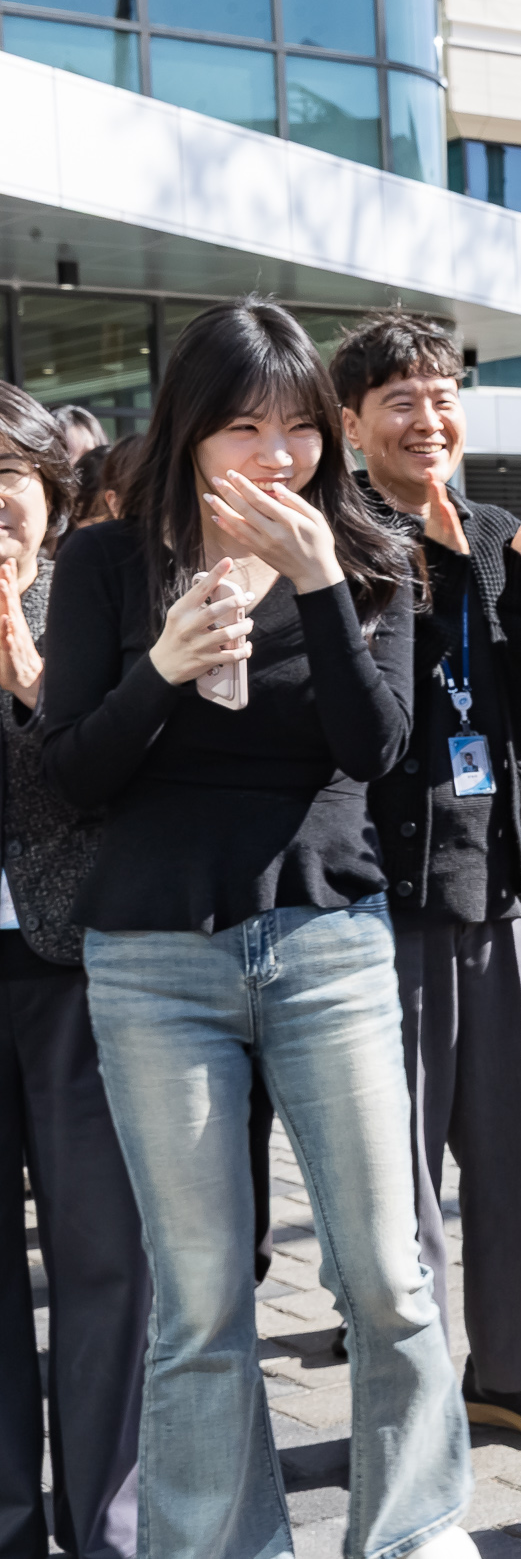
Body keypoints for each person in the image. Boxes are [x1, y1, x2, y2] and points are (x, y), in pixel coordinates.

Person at [39, 299, 477, 1559]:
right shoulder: (109, 566)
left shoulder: (375, 552)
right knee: (200, 1300)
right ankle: (216, 1543)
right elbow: (75, 773)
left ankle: (411, 1527)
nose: (278, 456)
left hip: (326, 945)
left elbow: (377, 748)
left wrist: (323, 582)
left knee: (386, 1279)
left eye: (297, 428)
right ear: (187, 434)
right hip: (154, 962)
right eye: (244, 426)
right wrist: (162, 667)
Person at [334, 312, 521, 1447]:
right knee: (393, 1172)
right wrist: (426, 571)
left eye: (442, 393)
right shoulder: (332, 539)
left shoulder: (498, 530)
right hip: (375, 901)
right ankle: (407, 1396)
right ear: (349, 423)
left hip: (498, 888)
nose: (428, 416)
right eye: (399, 398)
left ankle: (513, 1370)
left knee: (504, 1152)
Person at [0, 386, 147, 1558]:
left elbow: (109, 781)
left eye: (6, 482)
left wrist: (28, 676)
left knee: (105, 1253)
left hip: (77, 964)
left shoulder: (91, 597)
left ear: (50, 496)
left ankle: (108, 1521)